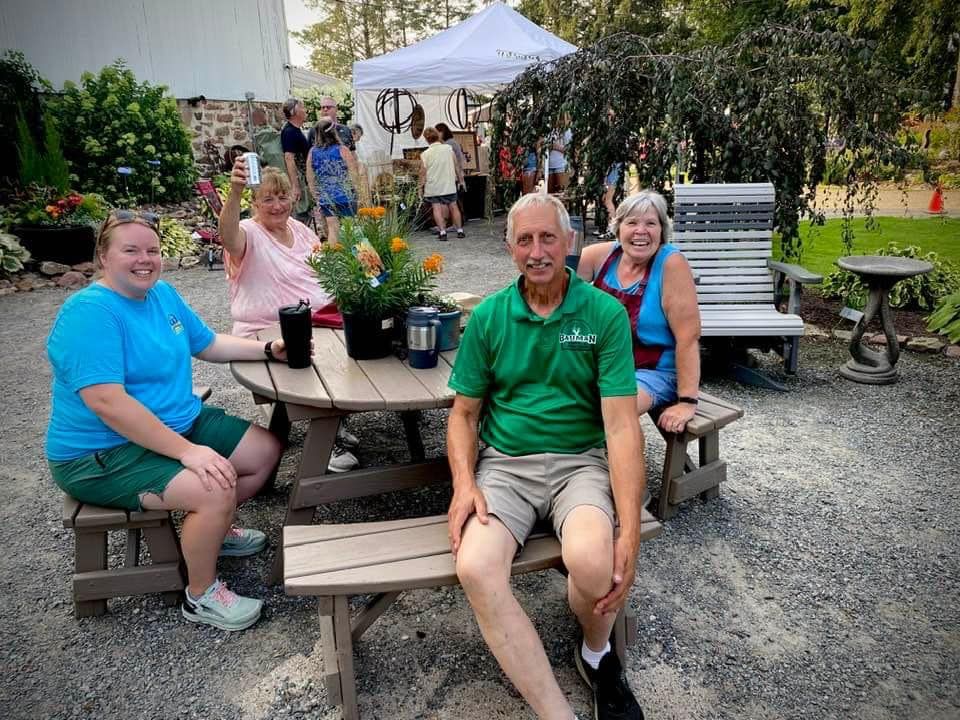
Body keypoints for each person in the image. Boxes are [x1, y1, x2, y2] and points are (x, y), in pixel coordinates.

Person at [447, 193, 647, 720]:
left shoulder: (602, 314)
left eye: (548, 238)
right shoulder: (489, 317)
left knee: (595, 563)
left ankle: (595, 652)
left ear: (569, 242)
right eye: (525, 240)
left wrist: (629, 530)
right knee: (476, 567)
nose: (537, 252)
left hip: (579, 462)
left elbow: (621, 426)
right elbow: (463, 414)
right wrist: (465, 484)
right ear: (510, 247)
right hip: (505, 466)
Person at [45, 210, 287, 631]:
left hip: (176, 423)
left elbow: (207, 344)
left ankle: (213, 531)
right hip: (102, 453)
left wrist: (268, 349)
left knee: (265, 452)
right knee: (215, 487)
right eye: (131, 250)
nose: (145, 259)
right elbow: (107, 402)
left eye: (153, 250)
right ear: (103, 257)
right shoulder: (89, 313)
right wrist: (188, 453)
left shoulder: (161, 294)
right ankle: (201, 594)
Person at [219, 160, 361, 472]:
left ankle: (335, 421)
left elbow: (324, 272)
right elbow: (227, 237)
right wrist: (235, 191)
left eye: (282, 197)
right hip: (266, 332)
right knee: (320, 361)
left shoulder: (300, 229)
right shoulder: (249, 232)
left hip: (315, 321)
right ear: (255, 203)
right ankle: (327, 439)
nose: (277, 205)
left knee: (358, 344)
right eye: (268, 199)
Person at [576, 190, 701, 434]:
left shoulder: (671, 264)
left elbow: (688, 337)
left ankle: (613, 453)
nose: (640, 231)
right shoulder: (602, 256)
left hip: (651, 371)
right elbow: (556, 285)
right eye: (632, 222)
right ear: (618, 228)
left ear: (662, 230)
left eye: (651, 223)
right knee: (556, 397)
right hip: (604, 363)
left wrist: (687, 402)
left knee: (607, 412)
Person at [306, 118, 359, 246]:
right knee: (350, 228)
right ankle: (352, 254)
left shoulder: (312, 152)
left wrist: (314, 193)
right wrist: (357, 190)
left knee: (332, 229)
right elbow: (353, 172)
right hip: (345, 195)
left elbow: (310, 175)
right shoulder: (342, 150)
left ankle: (334, 255)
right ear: (334, 131)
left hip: (326, 196)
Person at [419, 126, 464, 241]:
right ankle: (460, 230)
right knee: (454, 206)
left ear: (426, 139)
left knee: (437, 208)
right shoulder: (448, 149)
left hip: (434, 187)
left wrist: (420, 187)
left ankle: (443, 232)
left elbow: (423, 173)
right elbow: (456, 166)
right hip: (449, 184)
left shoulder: (425, 154)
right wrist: (461, 180)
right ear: (437, 136)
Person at [280, 97, 313, 224]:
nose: (305, 110)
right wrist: (295, 186)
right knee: (301, 213)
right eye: (302, 107)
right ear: (294, 112)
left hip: (304, 179)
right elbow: (289, 158)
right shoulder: (290, 132)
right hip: (300, 180)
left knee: (305, 213)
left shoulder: (295, 130)